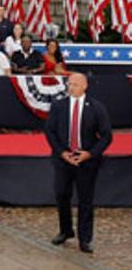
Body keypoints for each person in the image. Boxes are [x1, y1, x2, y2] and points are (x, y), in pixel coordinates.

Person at [45, 73, 112, 253]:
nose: (70, 87)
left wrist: (90, 154)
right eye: (69, 84)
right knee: (61, 194)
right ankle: (66, 230)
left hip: (86, 161)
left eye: (74, 84)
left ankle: (85, 238)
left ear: (84, 86)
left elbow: (106, 136)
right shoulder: (59, 106)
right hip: (63, 159)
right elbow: (50, 131)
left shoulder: (97, 108)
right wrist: (62, 152)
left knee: (85, 199)